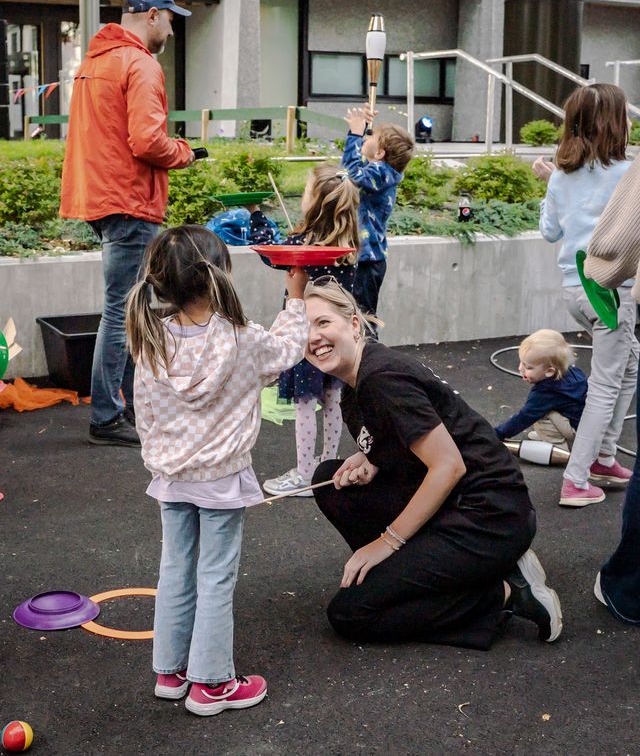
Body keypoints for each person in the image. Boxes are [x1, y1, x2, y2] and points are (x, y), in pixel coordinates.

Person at [302, 279, 562, 650]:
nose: (313, 337)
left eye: (323, 322)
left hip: (489, 517)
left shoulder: (381, 378)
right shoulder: (357, 382)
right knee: (330, 480)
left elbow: (448, 466)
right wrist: (373, 457)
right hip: (462, 504)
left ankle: (505, 593)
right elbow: (411, 433)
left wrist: (387, 542)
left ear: (354, 324)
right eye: (305, 328)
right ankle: (428, 578)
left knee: (351, 613)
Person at [126, 225, 309, 715]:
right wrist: (295, 297)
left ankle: (171, 671)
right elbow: (289, 348)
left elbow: (145, 412)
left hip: (171, 478)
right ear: (218, 274)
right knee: (215, 577)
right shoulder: (242, 340)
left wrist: (162, 459)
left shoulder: (150, 339)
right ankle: (212, 684)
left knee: (175, 570)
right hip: (222, 480)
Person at [60, 0, 195, 448]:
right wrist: (185, 152)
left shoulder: (94, 62)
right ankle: (107, 415)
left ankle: (130, 404)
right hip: (130, 199)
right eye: (170, 20)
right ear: (152, 15)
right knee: (123, 310)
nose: (171, 32)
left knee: (129, 307)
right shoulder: (140, 63)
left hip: (101, 198)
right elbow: (148, 141)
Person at [535, 83, 638, 507]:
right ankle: (577, 478)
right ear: (615, 123)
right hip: (611, 292)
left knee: (629, 366)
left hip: (575, 290)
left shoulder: (562, 175)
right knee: (606, 384)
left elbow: (549, 231)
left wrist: (549, 185)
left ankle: (604, 457)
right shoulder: (629, 173)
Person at [248, 165, 360, 496]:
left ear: (315, 202)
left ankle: (305, 474)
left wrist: (255, 215)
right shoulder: (348, 245)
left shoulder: (302, 244)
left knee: (304, 404)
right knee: (333, 399)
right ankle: (328, 465)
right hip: (336, 336)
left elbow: (270, 253)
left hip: (306, 336)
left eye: (308, 190)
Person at [585, 154, 640, 624]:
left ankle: (630, 586)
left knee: (604, 385)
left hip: (597, 291)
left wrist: (602, 269)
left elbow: (616, 241)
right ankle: (595, 461)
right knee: (613, 380)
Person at [341, 105, 414, 320]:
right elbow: (358, 165)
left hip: (366, 260)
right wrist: (362, 127)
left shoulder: (381, 173)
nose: (367, 136)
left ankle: (368, 343)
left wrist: (355, 135)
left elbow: (351, 173)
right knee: (357, 316)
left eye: (372, 135)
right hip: (367, 258)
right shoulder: (380, 172)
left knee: (362, 318)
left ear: (380, 153)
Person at [494, 329, 587, 452]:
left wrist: (497, 434)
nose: (520, 368)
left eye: (528, 367)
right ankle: (551, 435)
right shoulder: (573, 372)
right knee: (547, 408)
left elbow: (524, 417)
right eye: (521, 362)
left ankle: (558, 447)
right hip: (586, 425)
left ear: (549, 371)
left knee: (540, 413)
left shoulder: (546, 392)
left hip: (577, 430)